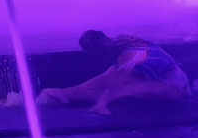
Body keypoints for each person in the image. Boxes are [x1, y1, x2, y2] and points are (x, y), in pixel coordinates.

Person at [42, 30, 191, 115]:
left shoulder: (130, 56)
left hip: (176, 86)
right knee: (112, 72)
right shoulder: (123, 39)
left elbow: (117, 87)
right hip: (154, 76)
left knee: (123, 89)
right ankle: (65, 93)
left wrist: (101, 105)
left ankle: (67, 95)